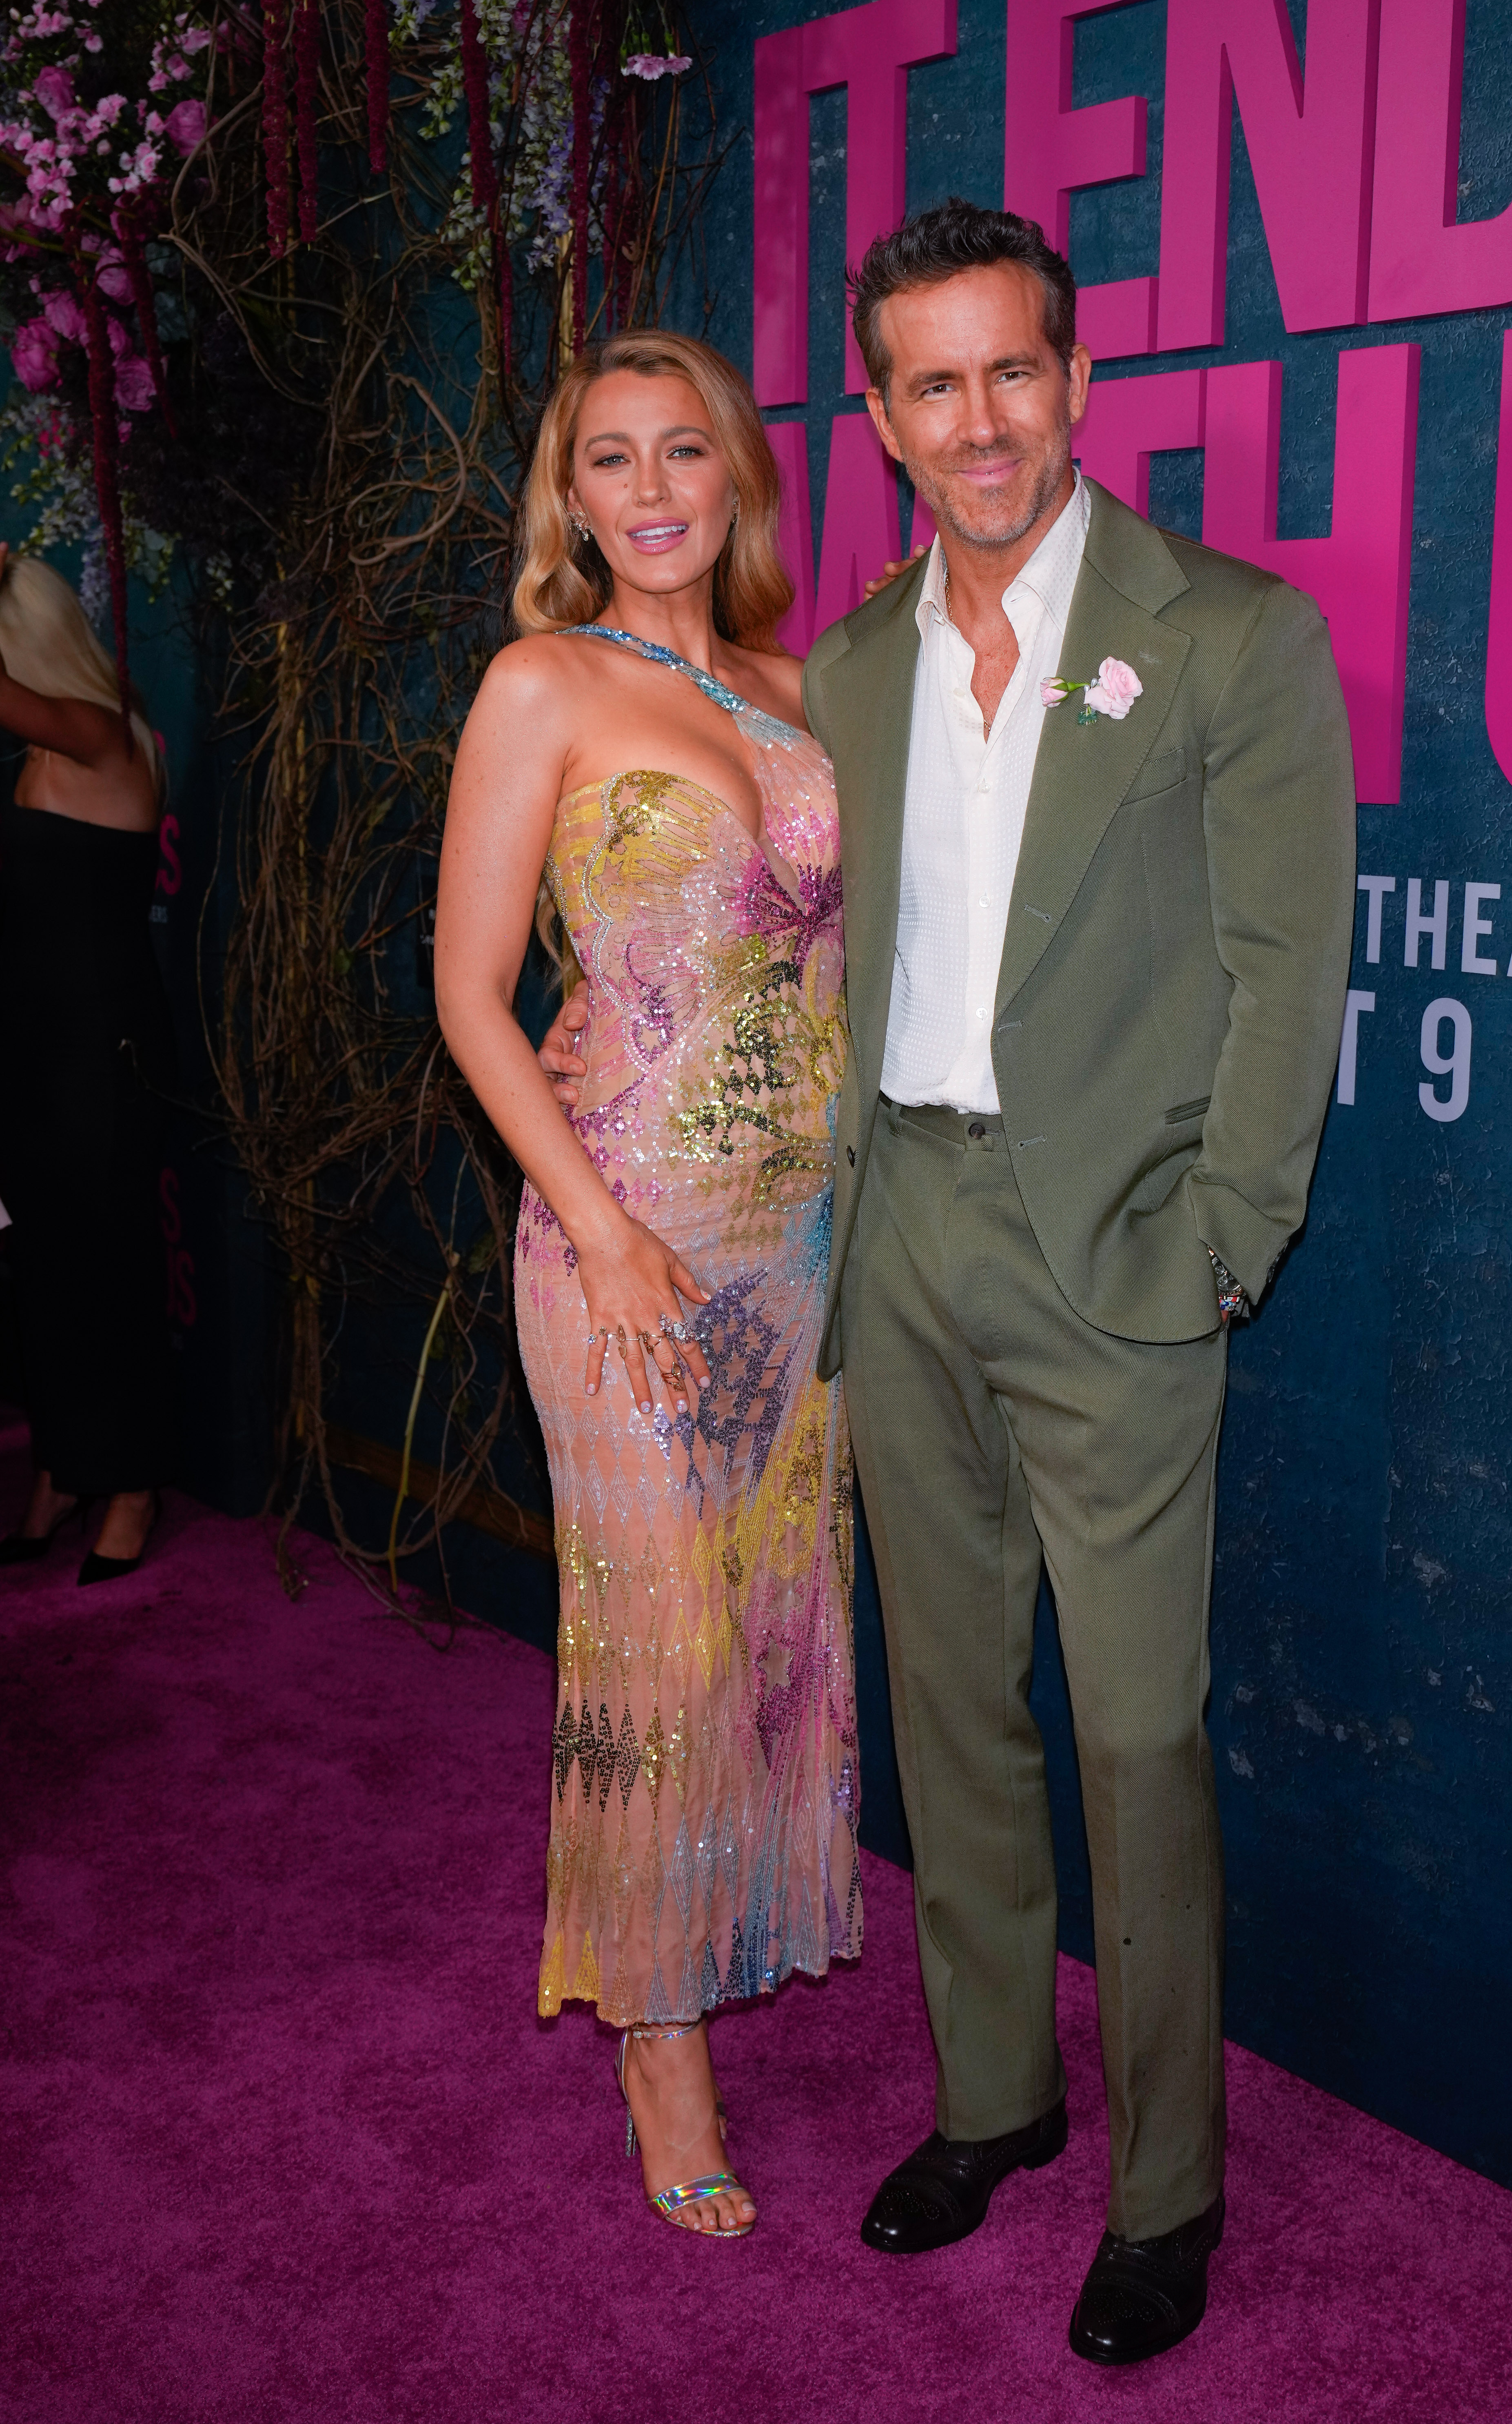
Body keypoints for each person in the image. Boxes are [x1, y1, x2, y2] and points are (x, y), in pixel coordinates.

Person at [801, 200, 1353, 2364]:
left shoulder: (1227, 636)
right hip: (910, 1235)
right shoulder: (854, 665)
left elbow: (1275, 974)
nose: (977, 422)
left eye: (1010, 371)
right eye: (927, 384)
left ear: (1077, 380)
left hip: (1117, 1261)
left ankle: (1163, 2190)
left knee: (1131, 1739)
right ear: (878, 417)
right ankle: (989, 2102)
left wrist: (1216, 1243)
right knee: (950, 1720)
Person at [434, 332, 860, 2240]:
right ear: (574, 499)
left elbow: (833, 969)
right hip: (616, 1235)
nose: (652, 485)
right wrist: (600, 1222)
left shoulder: (799, 685)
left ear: (739, 479)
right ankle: (653, 2032)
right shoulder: (545, 680)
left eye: (684, 449)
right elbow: (464, 993)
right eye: (609, 459)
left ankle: (723, 1935)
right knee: (660, 1638)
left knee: (768, 1624)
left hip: (793, 1243)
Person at [0, 549, 173, 1582]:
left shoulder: (105, 736)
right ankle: (65, 1467)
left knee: (111, 1269)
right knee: (46, 1273)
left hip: (102, 1051)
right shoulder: (33, 755)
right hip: (30, 1051)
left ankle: (135, 1480)